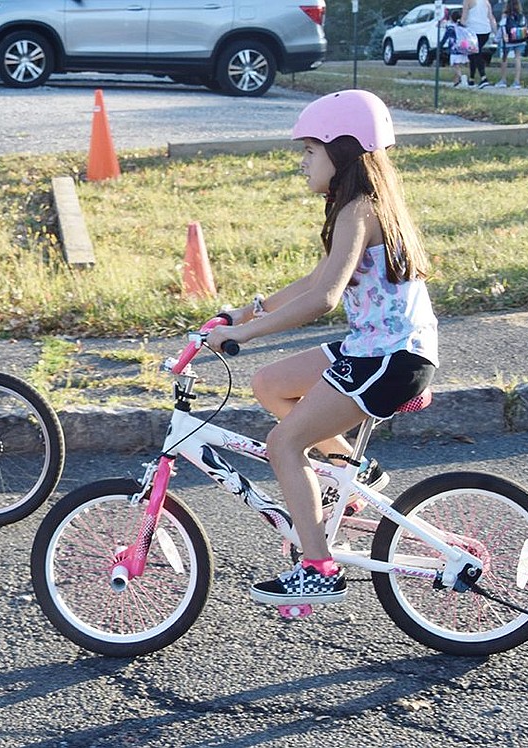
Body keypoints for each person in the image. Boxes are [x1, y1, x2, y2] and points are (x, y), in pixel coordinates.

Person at [206, 90, 439, 607]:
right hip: (374, 347)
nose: (303, 162)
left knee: (283, 444)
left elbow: (324, 299)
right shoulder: (359, 208)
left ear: (343, 150)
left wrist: (243, 336)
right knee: (269, 383)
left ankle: (319, 567)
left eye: (310, 150)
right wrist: (246, 312)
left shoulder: (359, 211)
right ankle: (356, 474)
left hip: (390, 358)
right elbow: (315, 280)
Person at [461, 0, 498, 88]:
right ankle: (472, 79)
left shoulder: (468, 1)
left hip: (473, 30)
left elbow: (464, 17)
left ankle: (483, 78)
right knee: (473, 54)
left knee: (475, 53)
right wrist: (496, 32)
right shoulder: (486, 2)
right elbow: (491, 17)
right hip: (485, 31)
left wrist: (461, 26)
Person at [496, 0, 528, 88]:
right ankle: (516, 81)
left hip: (508, 41)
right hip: (520, 39)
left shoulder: (505, 16)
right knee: (517, 58)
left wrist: (498, 38)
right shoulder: (522, 16)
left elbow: (502, 28)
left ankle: (503, 80)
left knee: (504, 58)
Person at [440, 9, 470, 87]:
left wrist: (440, 45)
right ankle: (456, 82)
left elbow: (445, 37)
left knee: (456, 66)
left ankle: (462, 78)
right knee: (459, 66)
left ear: (451, 18)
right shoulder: (462, 27)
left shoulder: (451, 28)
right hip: (463, 48)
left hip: (454, 50)